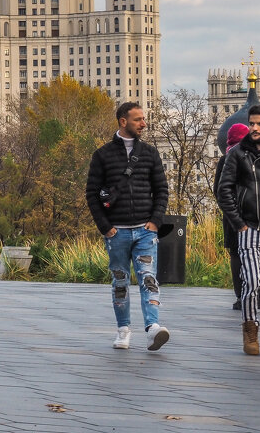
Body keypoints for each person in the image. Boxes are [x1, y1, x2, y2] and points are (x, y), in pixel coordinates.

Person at [85, 101, 170, 351]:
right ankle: (123, 330)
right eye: (138, 120)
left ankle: (153, 328)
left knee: (148, 278)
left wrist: (155, 222)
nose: (144, 124)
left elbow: (161, 189)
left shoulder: (150, 153)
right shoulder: (102, 155)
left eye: (143, 119)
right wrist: (106, 227)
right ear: (123, 122)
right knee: (120, 281)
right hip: (117, 232)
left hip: (145, 230)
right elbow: (91, 193)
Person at [217, 104, 260, 357]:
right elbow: (223, 190)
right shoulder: (237, 154)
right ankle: (250, 329)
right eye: (252, 123)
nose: (254, 128)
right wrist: (239, 223)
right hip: (248, 228)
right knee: (252, 282)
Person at [214, 123, 250, 309]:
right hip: (252, 215)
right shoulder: (251, 158)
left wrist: (229, 210)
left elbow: (218, 191)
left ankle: (240, 296)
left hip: (231, 218)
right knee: (253, 254)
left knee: (236, 255)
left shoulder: (225, 159)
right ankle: (255, 287)